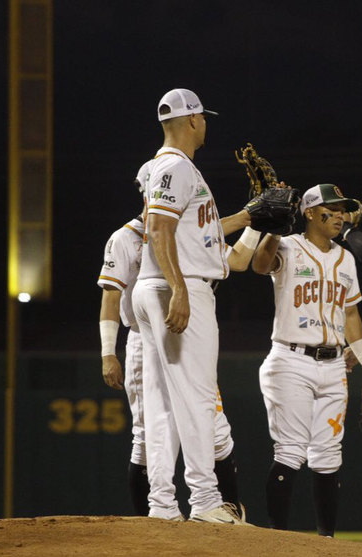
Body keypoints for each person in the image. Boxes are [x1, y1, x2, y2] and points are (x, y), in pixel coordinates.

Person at [97, 168, 262, 517]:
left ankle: (222, 508)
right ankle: (158, 519)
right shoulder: (125, 238)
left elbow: (238, 260)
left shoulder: (187, 233)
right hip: (143, 338)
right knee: (147, 435)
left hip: (179, 326)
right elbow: (110, 298)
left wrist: (257, 223)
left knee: (215, 426)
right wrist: (108, 352)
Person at [130, 88, 251, 524]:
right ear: (194, 121)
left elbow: (189, 231)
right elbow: (161, 230)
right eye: (204, 118)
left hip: (150, 286)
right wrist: (179, 288)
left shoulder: (156, 167)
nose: (207, 125)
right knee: (199, 398)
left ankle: (162, 504)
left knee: (162, 402)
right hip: (175, 287)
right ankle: (204, 501)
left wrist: (247, 217)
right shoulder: (178, 168)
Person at [251, 184, 362, 537]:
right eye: (332, 208)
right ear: (309, 212)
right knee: (291, 450)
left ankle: (326, 543)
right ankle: (278, 537)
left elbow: (351, 315)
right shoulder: (289, 245)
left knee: (328, 455)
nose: (340, 215)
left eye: (343, 209)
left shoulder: (346, 258)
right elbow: (260, 265)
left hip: (335, 363)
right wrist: (273, 231)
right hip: (291, 360)